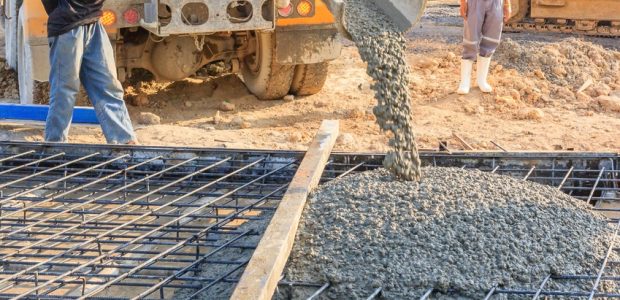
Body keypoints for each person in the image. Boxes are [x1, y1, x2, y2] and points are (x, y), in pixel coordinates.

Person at [41, 0, 138, 144]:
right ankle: (55, 145)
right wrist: (65, 11)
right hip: (67, 27)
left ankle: (123, 141)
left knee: (108, 86)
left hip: (94, 23)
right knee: (65, 90)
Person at [457, 0, 512, 94]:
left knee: (491, 40)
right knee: (471, 41)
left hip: (496, 3)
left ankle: (481, 80)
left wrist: (508, 4)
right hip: (474, 3)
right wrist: (462, 3)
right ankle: (464, 82)